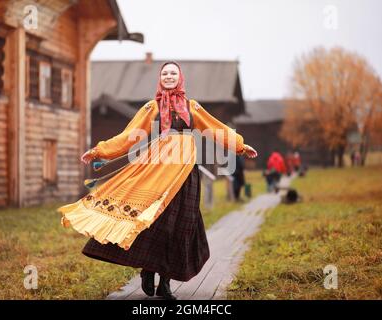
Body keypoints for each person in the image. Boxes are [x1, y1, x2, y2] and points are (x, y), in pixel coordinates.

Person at [57, 61, 257, 300]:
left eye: (173, 73)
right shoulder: (152, 106)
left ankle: (165, 282)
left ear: (180, 77)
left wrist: (240, 146)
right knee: (155, 223)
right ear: (160, 78)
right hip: (157, 172)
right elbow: (129, 136)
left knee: (180, 227)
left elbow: (216, 128)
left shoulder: (192, 107)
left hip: (185, 174)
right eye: (165, 73)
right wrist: (99, 151)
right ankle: (148, 270)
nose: (169, 76)